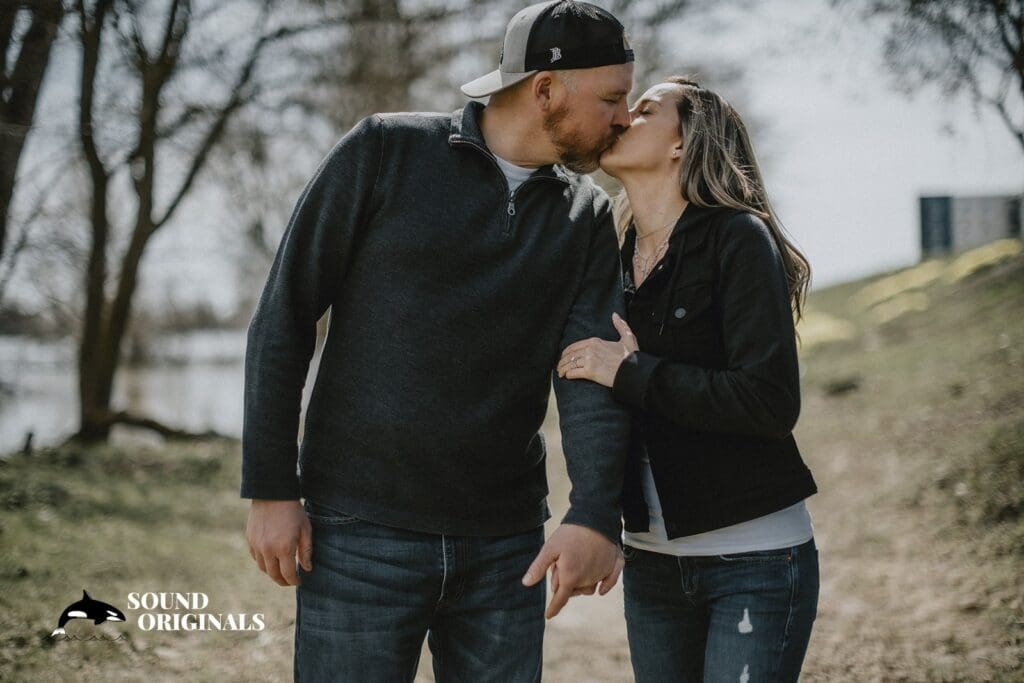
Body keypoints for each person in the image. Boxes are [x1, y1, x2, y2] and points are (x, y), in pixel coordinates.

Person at [240, 2, 636, 681]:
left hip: (504, 544)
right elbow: (285, 316)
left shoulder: (586, 215)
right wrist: (271, 487)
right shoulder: (382, 152)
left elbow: (586, 376)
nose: (624, 118)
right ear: (545, 90)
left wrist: (597, 512)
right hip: (357, 532)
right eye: (612, 99)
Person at [556, 76, 820, 682]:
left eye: (645, 110)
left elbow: (769, 401)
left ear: (683, 143)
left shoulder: (736, 239)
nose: (623, 118)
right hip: (650, 566)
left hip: (754, 558)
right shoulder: (609, 257)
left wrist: (628, 372)